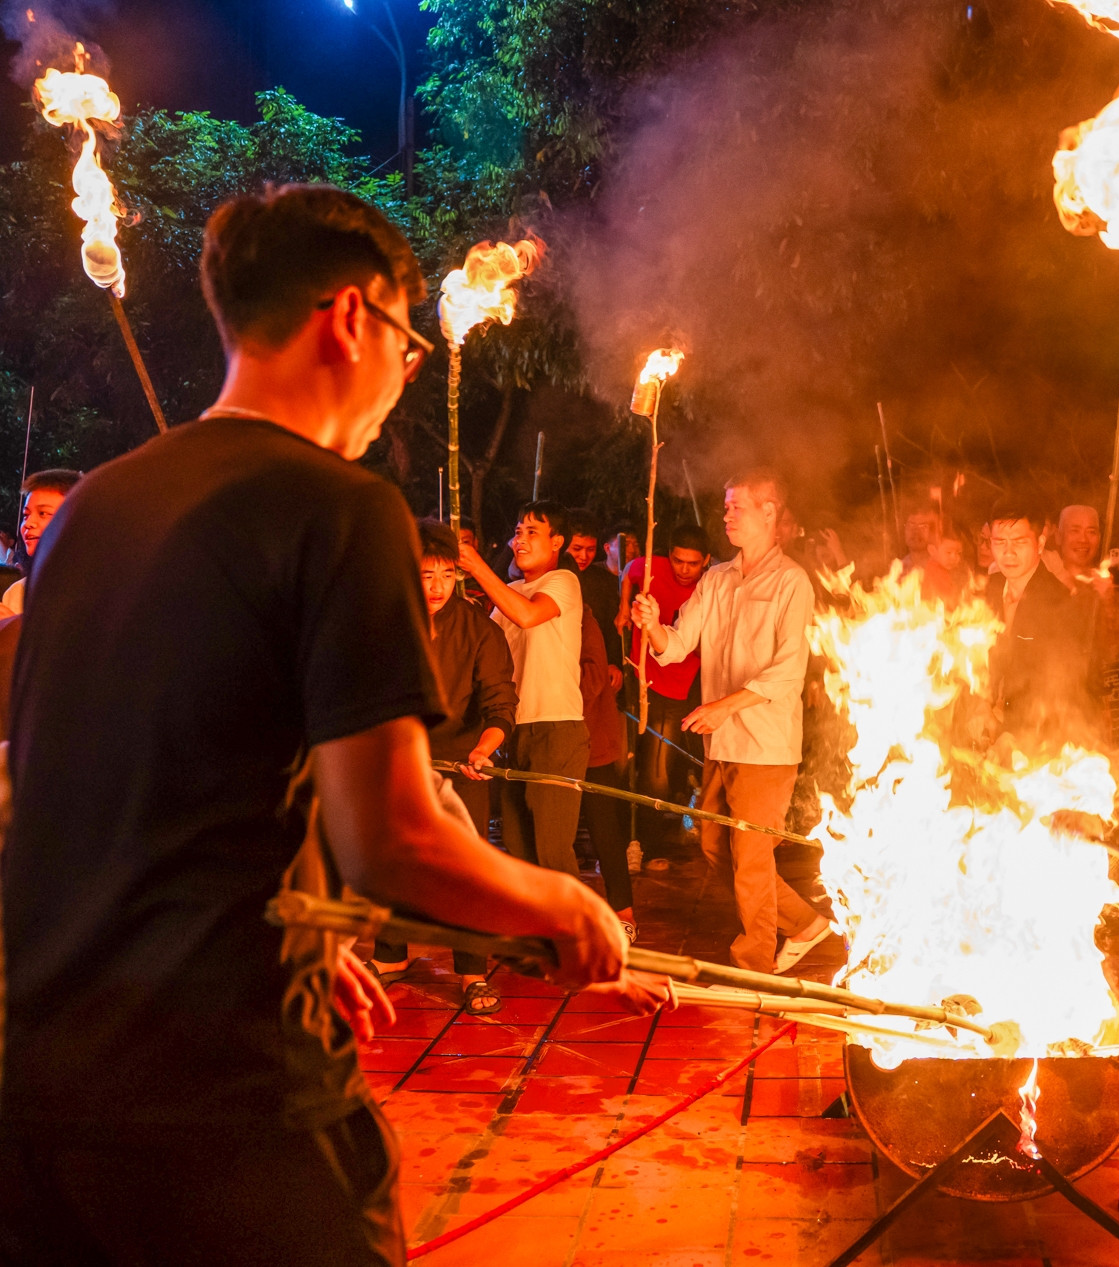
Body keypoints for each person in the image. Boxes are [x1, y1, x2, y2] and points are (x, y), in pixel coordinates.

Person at [0, 184, 662, 1264]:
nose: (404, 381)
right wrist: (559, 901)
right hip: (231, 1112)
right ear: (351, 317)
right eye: (409, 348)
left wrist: (293, 917)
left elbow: (89, 795)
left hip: (43, 1107)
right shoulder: (342, 507)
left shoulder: (87, 515)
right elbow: (391, 836)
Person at [631, 470, 829, 974]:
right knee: (715, 843)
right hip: (720, 742)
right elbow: (676, 647)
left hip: (766, 745)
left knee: (752, 857)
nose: (727, 515)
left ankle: (754, 964)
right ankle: (804, 923)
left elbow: (788, 670)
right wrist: (653, 626)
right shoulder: (716, 578)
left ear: (769, 511)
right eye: (725, 506)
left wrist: (724, 705)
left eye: (737, 506)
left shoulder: (791, 582)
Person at [368, 519, 519, 1012]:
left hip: (461, 765)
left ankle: (472, 970)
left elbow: (500, 706)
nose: (435, 587)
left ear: (459, 576)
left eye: (446, 575)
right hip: (399, 761)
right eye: (425, 574)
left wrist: (483, 750)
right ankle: (390, 956)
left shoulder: (480, 629)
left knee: (465, 871)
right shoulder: (387, 621)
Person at [461, 501, 591, 883]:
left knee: (551, 850)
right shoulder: (510, 590)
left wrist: (477, 567)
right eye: (518, 531)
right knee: (518, 848)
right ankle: (533, 937)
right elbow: (485, 650)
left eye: (533, 532)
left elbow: (528, 615)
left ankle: (570, 936)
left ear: (557, 543)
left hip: (556, 728)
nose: (520, 539)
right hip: (513, 729)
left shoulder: (563, 582)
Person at [618, 522, 712, 869]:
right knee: (631, 763)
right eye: (678, 561)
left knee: (659, 770)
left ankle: (651, 843)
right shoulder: (653, 567)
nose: (683, 570)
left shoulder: (711, 586)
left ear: (706, 561)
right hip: (641, 676)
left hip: (679, 685)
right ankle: (631, 841)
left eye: (692, 563)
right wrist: (624, 605)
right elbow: (629, 570)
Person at [982, 502, 1093, 750]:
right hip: (985, 732)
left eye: (1019, 542)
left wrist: (1017, 733)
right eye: (1000, 543)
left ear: (1040, 544)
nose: (1008, 553)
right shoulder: (985, 590)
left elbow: (1061, 688)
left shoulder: (1060, 603)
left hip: (1036, 742)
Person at [577, 603, 635, 933]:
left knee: (604, 826)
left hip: (590, 734)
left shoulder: (583, 616)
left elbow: (595, 676)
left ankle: (623, 912)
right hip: (542, 734)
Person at [0, 468, 82, 617]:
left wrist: (13, 628)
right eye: (26, 515)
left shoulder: (97, 588)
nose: (28, 523)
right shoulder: (17, 592)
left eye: (43, 513)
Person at [567, 507, 623, 668]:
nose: (584, 557)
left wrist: (612, 663)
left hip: (594, 665)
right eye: (577, 549)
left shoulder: (603, 580)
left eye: (590, 549)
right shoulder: (550, 576)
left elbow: (611, 628)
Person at [1041, 503, 1103, 592]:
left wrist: (1109, 599)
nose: (1083, 540)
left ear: (1099, 538)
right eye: (1075, 531)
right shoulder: (1042, 580)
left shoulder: (1108, 584)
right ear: (1058, 536)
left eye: (1091, 532)